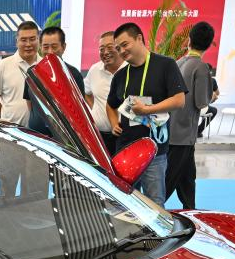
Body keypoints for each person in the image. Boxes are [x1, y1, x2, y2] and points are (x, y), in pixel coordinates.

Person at [106, 22, 186, 207]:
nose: (122, 51)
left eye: (125, 44)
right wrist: (113, 123)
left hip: (154, 150)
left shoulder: (165, 65)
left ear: (139, 38)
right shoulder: (120, 75)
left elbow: (179, 100)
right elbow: (111, 105)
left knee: (154, 203)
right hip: (126, 149)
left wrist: (147, 110)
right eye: (118, 48)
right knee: (124, 203)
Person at [165, 21, 214, 210]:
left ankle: (190, 209)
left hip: (171, 129)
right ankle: (149, 212)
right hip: (184, 133)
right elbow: (202, 102)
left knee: (187, 177)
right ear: (208, 44)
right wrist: (212, 95)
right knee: (169, 180)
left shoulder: (178, 63)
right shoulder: (201, 68)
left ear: (189, 40)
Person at [22, 27, 84, 137]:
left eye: (54, 47)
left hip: (65, 138)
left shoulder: (74, 75)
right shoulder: (32, 73)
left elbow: (80, 111)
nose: (50, 51)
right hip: (37, 136)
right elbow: (30, 103)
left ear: (63, 47)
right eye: (46, 47)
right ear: (40, 47)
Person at [0, 21, 41, 125]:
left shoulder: (45, 66)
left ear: (38, 40)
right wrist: (7, 121)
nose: (28, 44)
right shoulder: (3, 65)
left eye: (32, 39)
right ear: (17, 41)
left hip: (40, 132)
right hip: (13, 131)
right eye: (23, 40)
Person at [85, 31, 125, 153]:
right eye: (101, 49)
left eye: (110, 47)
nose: (105, 52)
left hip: (124, 136)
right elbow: (86, 92)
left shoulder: (130, 70)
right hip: (99, 136)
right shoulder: (94, 70)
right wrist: (94, 109)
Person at [198, 64, 219, 137]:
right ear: (210, 71)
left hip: (187, 108)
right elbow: (217, 93)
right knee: (213, 110)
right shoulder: (212, 80)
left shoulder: (193, 79)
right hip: (200, 108)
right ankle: (198, 131)